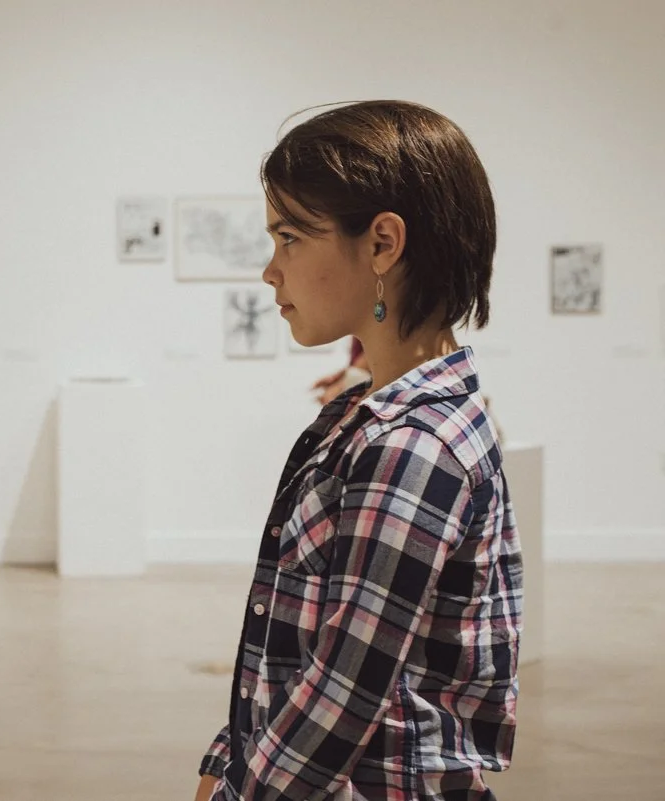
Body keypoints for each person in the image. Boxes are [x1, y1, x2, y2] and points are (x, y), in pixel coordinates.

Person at [196, 101, 522, 800]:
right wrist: (226, 757)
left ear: (381, 244)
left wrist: (242, 789)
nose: (270, 271)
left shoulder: (414, 445)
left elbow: (343, 691)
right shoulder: (368, 418)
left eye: (289, 238)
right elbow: (290, 642)